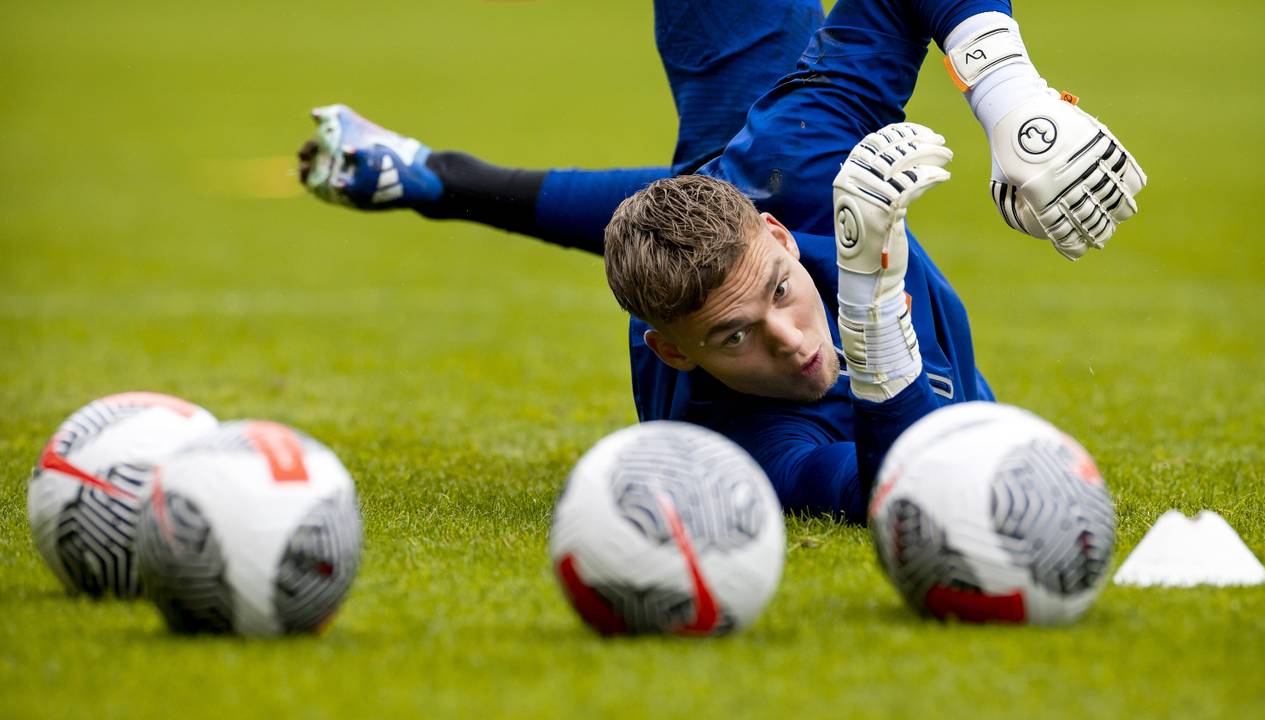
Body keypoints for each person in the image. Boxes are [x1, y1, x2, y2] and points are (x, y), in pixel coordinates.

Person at [296, 0, 1146, 522]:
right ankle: (430, 177)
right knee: (697, 178)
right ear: (676, 350)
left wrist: (1014, 102)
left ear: (779, 236)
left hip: (762, 166)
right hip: (750, 204)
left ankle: (428, 177)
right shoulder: (737, 443)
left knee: (718, 161)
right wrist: (873, 296)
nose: (787, 341)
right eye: (735, 338)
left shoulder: (801, 163)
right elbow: (899, 490)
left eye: (781, 293)